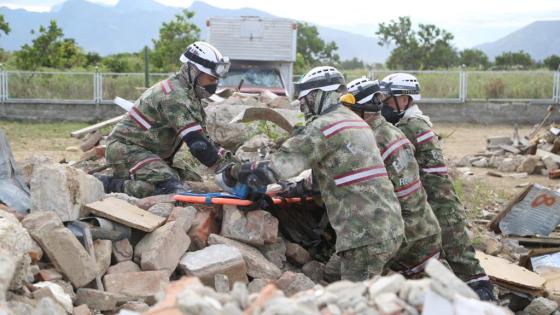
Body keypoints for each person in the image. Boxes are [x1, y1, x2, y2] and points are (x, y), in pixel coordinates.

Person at [220, 66, 405, 281]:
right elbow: (323, 179)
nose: (303, 106)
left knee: (355, 299)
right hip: (389, 226)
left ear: (320, 95)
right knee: (332, 276)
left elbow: (273, 169)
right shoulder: (355, 121)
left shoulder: (324, 127)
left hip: (364, 235)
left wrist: (234, 171)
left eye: (306, 99)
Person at [380, 73, 495, 300]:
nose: (382, 104)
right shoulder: (411, 122)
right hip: (432, 200)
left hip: (440, 202)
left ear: (404, 99)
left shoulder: (411, 126)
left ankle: (486, 300)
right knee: (450, 255)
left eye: (387, 98)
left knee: (461, 256)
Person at [97, 41, 234, 198]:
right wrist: (229, 170)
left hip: (150, 154)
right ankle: (107, 184)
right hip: (126, 150)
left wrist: (234, 164)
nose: (213, 86)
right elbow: (198, 145)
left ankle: (133, 178)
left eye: (216, 81)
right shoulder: (174, 96)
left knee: (194, 181)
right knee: (170, 188)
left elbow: (206, 140)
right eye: (210, 80)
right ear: (192, 71)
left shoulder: (190, 96)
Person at [343, 77, 443, 278]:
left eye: (351, 111)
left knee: (337, 271)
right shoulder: (396, 132)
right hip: (427, 230)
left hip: (404, 239)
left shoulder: (368, 143)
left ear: (366, 110)